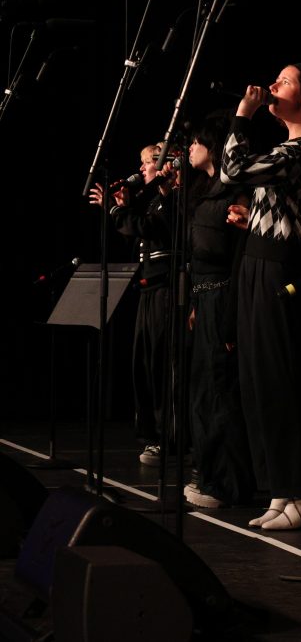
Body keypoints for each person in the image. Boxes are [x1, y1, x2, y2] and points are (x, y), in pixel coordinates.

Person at [220, 62, 301, 531]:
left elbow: (232, 170)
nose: (271, 86)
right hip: (257, 261)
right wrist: (252, 217)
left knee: (282, 377)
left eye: (284, 82)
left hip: (282, 269)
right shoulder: (285, 150)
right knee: (257, 380)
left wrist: (242, 116)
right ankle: (279, 490)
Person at [88, 142, 179, 467]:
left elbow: (148, 228)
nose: (140, 170)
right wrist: (121, 208)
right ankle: (152, 434)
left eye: (146, 163)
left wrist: (117, 212)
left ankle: (170, 438)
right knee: (143, 364)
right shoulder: (151, 200)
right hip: (148, 289)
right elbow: (136, 236)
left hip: (167, 290)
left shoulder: (172, 199)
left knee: (161, 365)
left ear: (165, 163)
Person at [182, 117, 255, 508]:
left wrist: (228, 316)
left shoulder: (235, 192)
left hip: (224, 296)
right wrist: (195, 303)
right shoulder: (201, 191)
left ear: (212, 145)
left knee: (221, 390)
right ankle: (208, 472)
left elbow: (238, 257)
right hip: (203, 296)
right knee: (202, 391)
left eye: (196, 142)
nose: (190, 148)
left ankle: (228, 484)